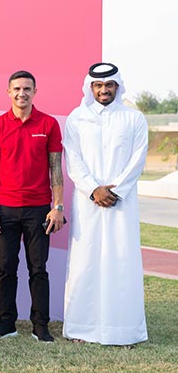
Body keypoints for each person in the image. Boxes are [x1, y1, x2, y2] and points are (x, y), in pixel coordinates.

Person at [62, 62, 148, 346]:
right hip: (88, 203)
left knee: (122, 261)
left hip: (122, 204)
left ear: (117, 86)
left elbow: (138, 158)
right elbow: (73, 159)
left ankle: (123, 330)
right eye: (98, 85)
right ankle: (82, 329)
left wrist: (117, 191)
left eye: (109, 85)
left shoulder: (134, 118)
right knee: (85, 262)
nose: (103, 90)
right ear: (90, 87)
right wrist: (93, 190)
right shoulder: (77, 118)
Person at [0, 70, 65, 342]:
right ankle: (6, 323)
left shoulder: (49, 124)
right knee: (6, 268)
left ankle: (40, 326)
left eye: (27, 89)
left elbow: (55, 168)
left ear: (34, 92)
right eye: (17, 89)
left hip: (39, 208)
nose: (22, 93)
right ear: (9, 92)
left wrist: (58, 207)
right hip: (4, 208)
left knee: (38, 269)